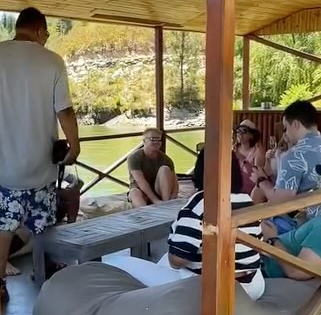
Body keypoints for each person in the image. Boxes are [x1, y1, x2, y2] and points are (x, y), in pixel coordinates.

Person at [0, 6, 80, 300]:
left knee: (1, 229)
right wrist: (74, 145)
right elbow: (65, 110)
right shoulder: (51, 61)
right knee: (43, 226)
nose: (46, 39)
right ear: (39, 30)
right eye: (46, 34)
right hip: (41, 167)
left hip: (1, 166)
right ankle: (44, 274)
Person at [105, 150, 264, 298]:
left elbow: (178, 260)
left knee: (114, 262)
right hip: (252, 286)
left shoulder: (201, 202)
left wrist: (174, 250)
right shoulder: (245, 200)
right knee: (164, 261)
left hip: (211, 290)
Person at [252, 100, 321, 232]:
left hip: (311, 228)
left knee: (268, 225)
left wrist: (261, 180)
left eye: (286, 128)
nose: (286, 133)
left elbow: (282, 201)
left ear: (295, 124)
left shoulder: (294, 155)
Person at [127, 129, 179, 207]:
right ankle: (145, 214)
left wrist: (173, 198)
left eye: (159, 139)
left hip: (158, 190)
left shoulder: (166, 159)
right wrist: (155, 200)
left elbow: (175, 182)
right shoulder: (134, 157)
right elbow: (141, 181)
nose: (156, 142)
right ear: (144, 141)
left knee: (165, 169)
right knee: (135, 193)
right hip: (140, 189)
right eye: (153, 139)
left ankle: (166, 203)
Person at [234, 120, 266, 194]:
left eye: (244, 131)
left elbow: (258, 177)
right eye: (238, 131)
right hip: (233, 190)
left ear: (252, 135)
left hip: (250, 192)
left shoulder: (258, 152)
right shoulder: (233, 150)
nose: (240, 134)